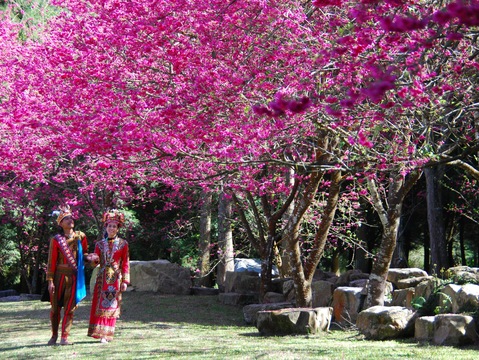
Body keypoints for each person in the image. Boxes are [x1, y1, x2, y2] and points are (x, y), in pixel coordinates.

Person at [46, 206, 88, 346]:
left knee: (70, 309)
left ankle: (65, 337)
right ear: (60, 223)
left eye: (71, 218)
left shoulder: (80, 237)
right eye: (66, 219)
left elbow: (85, 255)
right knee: (55, 309)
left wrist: (92, 259)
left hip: (74, 277)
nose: (70, 220)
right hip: (59, 277)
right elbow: (51, 261)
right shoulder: (56, 240)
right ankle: (54, 336)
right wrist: (50, 280)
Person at [88, 209, 130, 343]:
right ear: (106, 227)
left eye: (114, 226)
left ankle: (108, 333)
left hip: (115, 278)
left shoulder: (123, 244)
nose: (111, 228)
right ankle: (101, 334)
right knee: (101, 305)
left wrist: (125, 280)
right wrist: (90, 259)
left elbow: (125, 263)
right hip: (102, 278)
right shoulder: (99, 244)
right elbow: (95, 262)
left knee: (112, 304)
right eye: (109, 226)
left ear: (118, 229)